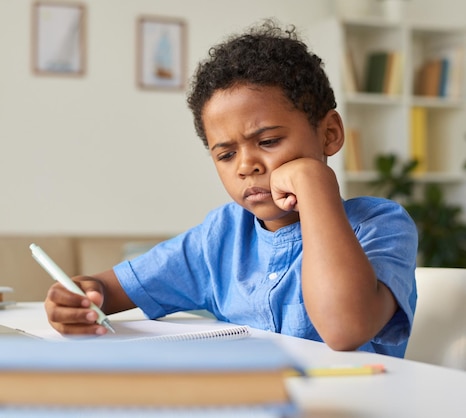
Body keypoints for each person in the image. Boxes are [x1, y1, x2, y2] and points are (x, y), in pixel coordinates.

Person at [44, 19, 418, 357]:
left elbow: (345, 329)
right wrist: (77, 298)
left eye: (268, 141)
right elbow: (107, 290)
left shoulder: (379, 225)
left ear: (330, 134)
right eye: (225, 154)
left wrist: (313, 182)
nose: (246, 166)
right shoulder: (219, 238)